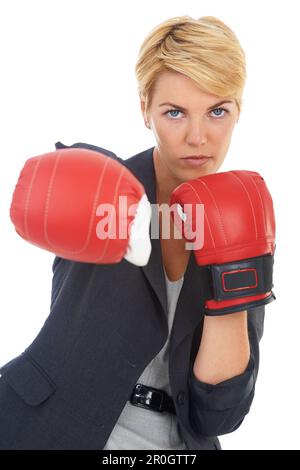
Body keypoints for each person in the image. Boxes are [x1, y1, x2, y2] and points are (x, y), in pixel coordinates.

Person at [0, 15, 275, 450]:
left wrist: (233, 275)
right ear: (145, 107)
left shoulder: (244, 219)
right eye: (175, 112)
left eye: (218, 111)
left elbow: (219, 412)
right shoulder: (104, 184)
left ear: (239, 110)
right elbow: (58, 181)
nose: (198, 137)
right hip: (50, 430)